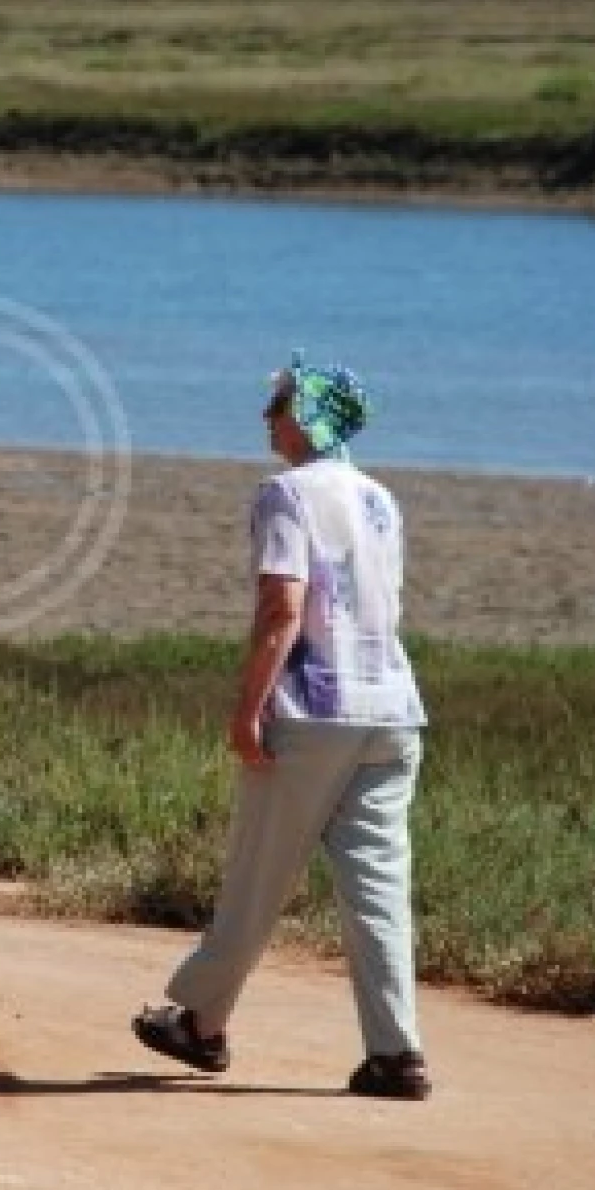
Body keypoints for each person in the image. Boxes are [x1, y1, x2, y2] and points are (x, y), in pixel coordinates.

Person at [132, 353, 431, 1101]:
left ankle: (199, 1021)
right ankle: (396, 1054)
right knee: (378, 890)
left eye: (280, 405)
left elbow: (282, 611)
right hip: (392, 713)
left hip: (313, 713)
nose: (268, 417)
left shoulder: (284, 494)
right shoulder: (380, 498)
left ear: (309, 417)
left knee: (258, 873)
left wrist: (247, 711)